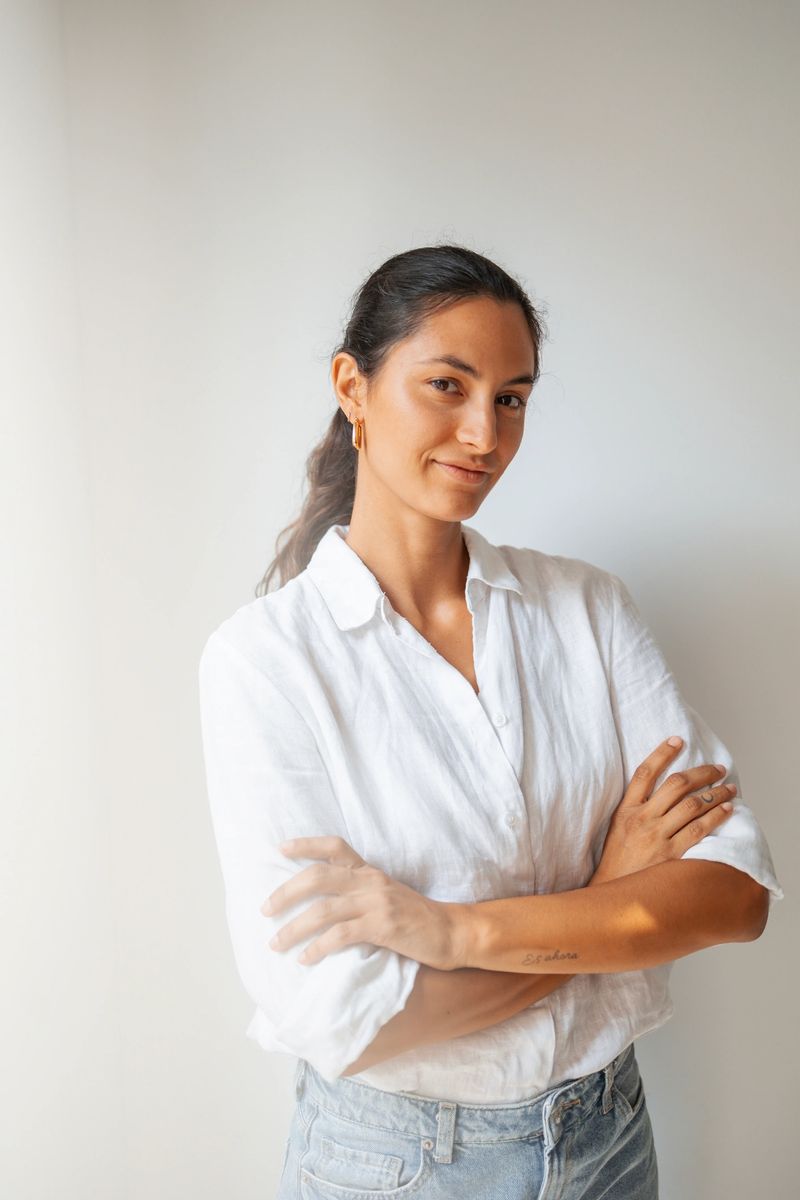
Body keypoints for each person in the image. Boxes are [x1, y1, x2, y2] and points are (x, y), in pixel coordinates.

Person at [198, 244, 783, 1199]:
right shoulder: (264, 664)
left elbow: (734, 897)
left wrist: (451, 933)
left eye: (512, 397)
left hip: (610, 1138)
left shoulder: (589, 611)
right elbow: (353, 1019)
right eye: (447, 384)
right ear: (353, 385)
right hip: (399, 1164)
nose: (484, 432)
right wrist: (611, 894)